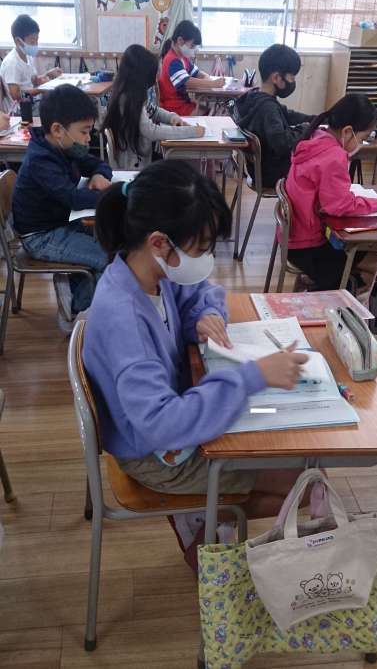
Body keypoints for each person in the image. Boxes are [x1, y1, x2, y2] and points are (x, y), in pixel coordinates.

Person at [83, 159, 308, 569]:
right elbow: (161, 423)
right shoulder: (124, 318)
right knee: (301, 476)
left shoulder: (146, 273)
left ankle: (208, 521)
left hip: (168, 420)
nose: (206, 259)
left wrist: (205, 315)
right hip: (156, 453)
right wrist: (253, 376)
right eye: (200, 249)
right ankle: (205, 524)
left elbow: (200, 292)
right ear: (159, 243)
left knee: (285, 441)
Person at [12, 84, 112, 331]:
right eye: (84, 132)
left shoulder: (64, 147)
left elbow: (98, 164)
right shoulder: (41, 160)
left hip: (60, 223)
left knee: (111, 241)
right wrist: (111, 196)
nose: (88, 139)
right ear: (58, 130)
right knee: (106, 258)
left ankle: (77, 295)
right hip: (40, 236)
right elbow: (72, 198)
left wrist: (98, 175)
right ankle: (78, 314)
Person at [285, 93, 377, 291]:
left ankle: (316, 286)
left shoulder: (315, 137)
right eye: (363, 138)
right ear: (348, 131)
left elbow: (332, 200)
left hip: (294, 239)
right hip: (309, 246)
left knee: (373, 259)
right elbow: (339, 206)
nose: (361, 144)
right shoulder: (334, 156)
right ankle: (333, 298)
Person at [103, 44, 204, 171]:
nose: (156, 78)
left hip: (141, 156)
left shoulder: (133, 92)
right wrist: (192, 132)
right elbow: (152, 131)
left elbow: (153, 110)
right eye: (154, 74)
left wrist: (171, 117)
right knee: (178, 168)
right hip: (134, 166)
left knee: (178, 165)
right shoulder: (127, 99)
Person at [234, 44, 315, 187]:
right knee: (321, 164)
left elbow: (286, 114)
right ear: (276, 77)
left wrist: (315, 119)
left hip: (260, 171)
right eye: (291, 77)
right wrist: (305, 128)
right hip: (274, 175)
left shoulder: (255, 97)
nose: (293, 82)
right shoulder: (268, 108)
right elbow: (282, 142)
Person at [159, 20, 224, 116]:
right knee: (212, 114)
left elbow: (197, 73)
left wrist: (208, 79)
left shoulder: (183, 58)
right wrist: (212, 83)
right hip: (174, 107)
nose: (193, 49)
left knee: (213, 111)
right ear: (180, 41)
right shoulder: (172, 60)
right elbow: (187, 82)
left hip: (183, 103)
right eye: (192, 46)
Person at [0, 14, 62, 109]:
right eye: (32, 42)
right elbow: (16, 96)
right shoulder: (12, 64)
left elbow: (32, 81)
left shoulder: (27, 56)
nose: (36, 44)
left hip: (32, 102)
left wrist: (48, 74)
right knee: (59, 108)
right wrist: (40, 90)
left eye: (37, 40)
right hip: (20, 109)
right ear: (18, 41)